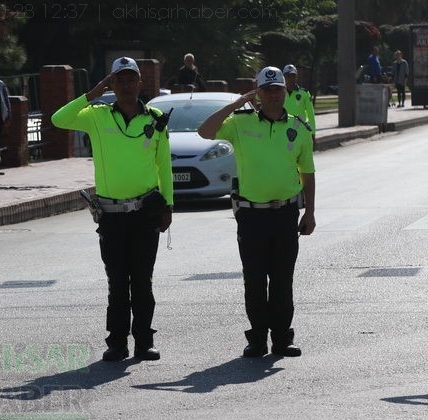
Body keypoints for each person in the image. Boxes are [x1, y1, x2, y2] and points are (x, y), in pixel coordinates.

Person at [52, 56, 174, 362]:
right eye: (119, 80)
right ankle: (117, 343)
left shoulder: (155, 118)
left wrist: (168, 205)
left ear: (140, 83)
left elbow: (164, 166)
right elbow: (58, 119)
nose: (127, 85)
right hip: (112, 216)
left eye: (131, 79)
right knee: (117, 283)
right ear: (112, 84)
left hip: (145, 213)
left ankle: (144, 341)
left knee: (142, 281)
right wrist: (93, 93)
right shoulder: (97, 115)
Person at [197, 66, 316, 358]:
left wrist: (309, 213)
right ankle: (257, 339)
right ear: (258, 94)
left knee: (282, 278)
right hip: (251, 215)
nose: (274, 96)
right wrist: (237, 103)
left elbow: (308, 173)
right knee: (254, 279)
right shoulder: (240, 123)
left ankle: (282, 339)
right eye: (267, 90)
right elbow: (205, 131)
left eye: (278, 90)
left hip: (285, 213)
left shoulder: (298, 128)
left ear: (285, 93)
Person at [283, 64, 316, 137]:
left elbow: (310, 114)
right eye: (288, 76)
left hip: (301, 131)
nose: (291, 78)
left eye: (293, 75)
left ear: (296, 77)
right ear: (284, 77)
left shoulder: (304, 93)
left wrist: (313, 132)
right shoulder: (280, 93)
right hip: (283, 130)